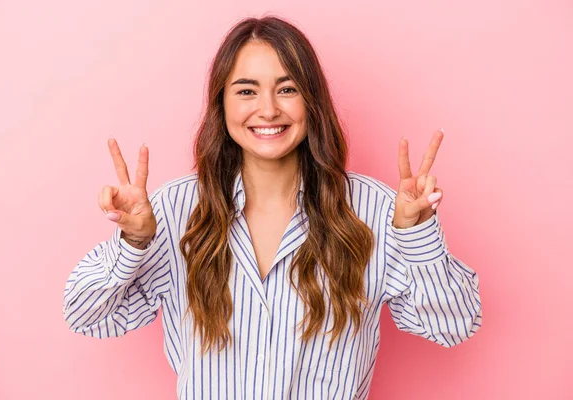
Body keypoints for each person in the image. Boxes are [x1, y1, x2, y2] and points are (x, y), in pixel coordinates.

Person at [63, 16, 482, 399]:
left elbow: (454, 326)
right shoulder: (174, 210)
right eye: (246, 91)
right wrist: (133, 243)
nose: (268, 109)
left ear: (311, 101)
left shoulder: (374, 211)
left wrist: (417, 234)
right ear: (221, 103)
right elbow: (86, 316)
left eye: (287, 89)